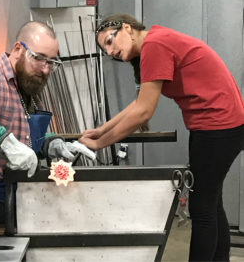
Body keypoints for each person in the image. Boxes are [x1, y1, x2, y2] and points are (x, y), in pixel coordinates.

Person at [79, 13, 244, 261]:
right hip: (219, 126)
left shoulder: (154, 45)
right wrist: (100, 131)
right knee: (211, 202)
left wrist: (100, 144)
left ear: (127, 28)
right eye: (105, 49)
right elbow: (137, 105)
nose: (110, 51)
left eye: (110, 41)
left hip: (217, 126)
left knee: (201, 209)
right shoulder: (154, 41)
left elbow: (144, 111)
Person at [0, 21, 95, 224]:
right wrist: (4, 143)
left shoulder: (25, 85)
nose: (45, 69)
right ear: (18, 49)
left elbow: (26, 134)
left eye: (51, 62)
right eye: (39, 58)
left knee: (77, 203)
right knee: (56, 220)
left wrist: (51, 143)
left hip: (16, 184)